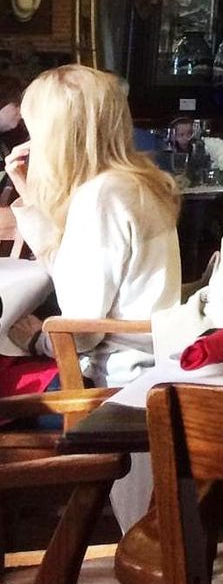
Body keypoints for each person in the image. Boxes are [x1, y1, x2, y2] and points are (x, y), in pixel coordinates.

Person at [5, 65, 181, 386]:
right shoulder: (138, 182)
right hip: (153, 362)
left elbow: (83, 333)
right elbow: (74, 275)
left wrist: (36, 340)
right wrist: (30, 198)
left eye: (36, 133)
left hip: (115, 381)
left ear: (56, 138)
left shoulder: (103, 196)